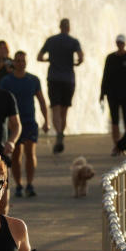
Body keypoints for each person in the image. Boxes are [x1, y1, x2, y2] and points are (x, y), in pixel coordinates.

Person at [0, 51, 49, 197]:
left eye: (23, 61)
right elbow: (1, 101)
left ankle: (30, 184)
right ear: (13, 62)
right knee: (16, 155)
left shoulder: (33, 80)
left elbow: (41, 101)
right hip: (13, 123)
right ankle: (19, 184)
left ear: (26, 63)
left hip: (29, 122)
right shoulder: (7, 81)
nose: (20, 63)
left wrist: (46, 121)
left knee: (30, 152)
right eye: (18, 61)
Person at [37, 18, 83, 154]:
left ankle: (58, 133)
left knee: (55, 108)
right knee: (64, 111)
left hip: (54, 78)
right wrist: (74, 63)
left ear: (59, 27)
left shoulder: (51, 40)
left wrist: (49, 59)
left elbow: (39, 57)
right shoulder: (74, 41)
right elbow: (81, 58)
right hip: (68, 79)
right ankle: (61, 132)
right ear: (68, 28)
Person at [100, 34, 126, 156]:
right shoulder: (110, 58)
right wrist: (102, 92)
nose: (120, 44)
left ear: (125, 44)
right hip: (113, 94)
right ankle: (117, 146)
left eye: (121, 43)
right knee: (115, 120)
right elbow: (105, 75)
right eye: (118, 42)